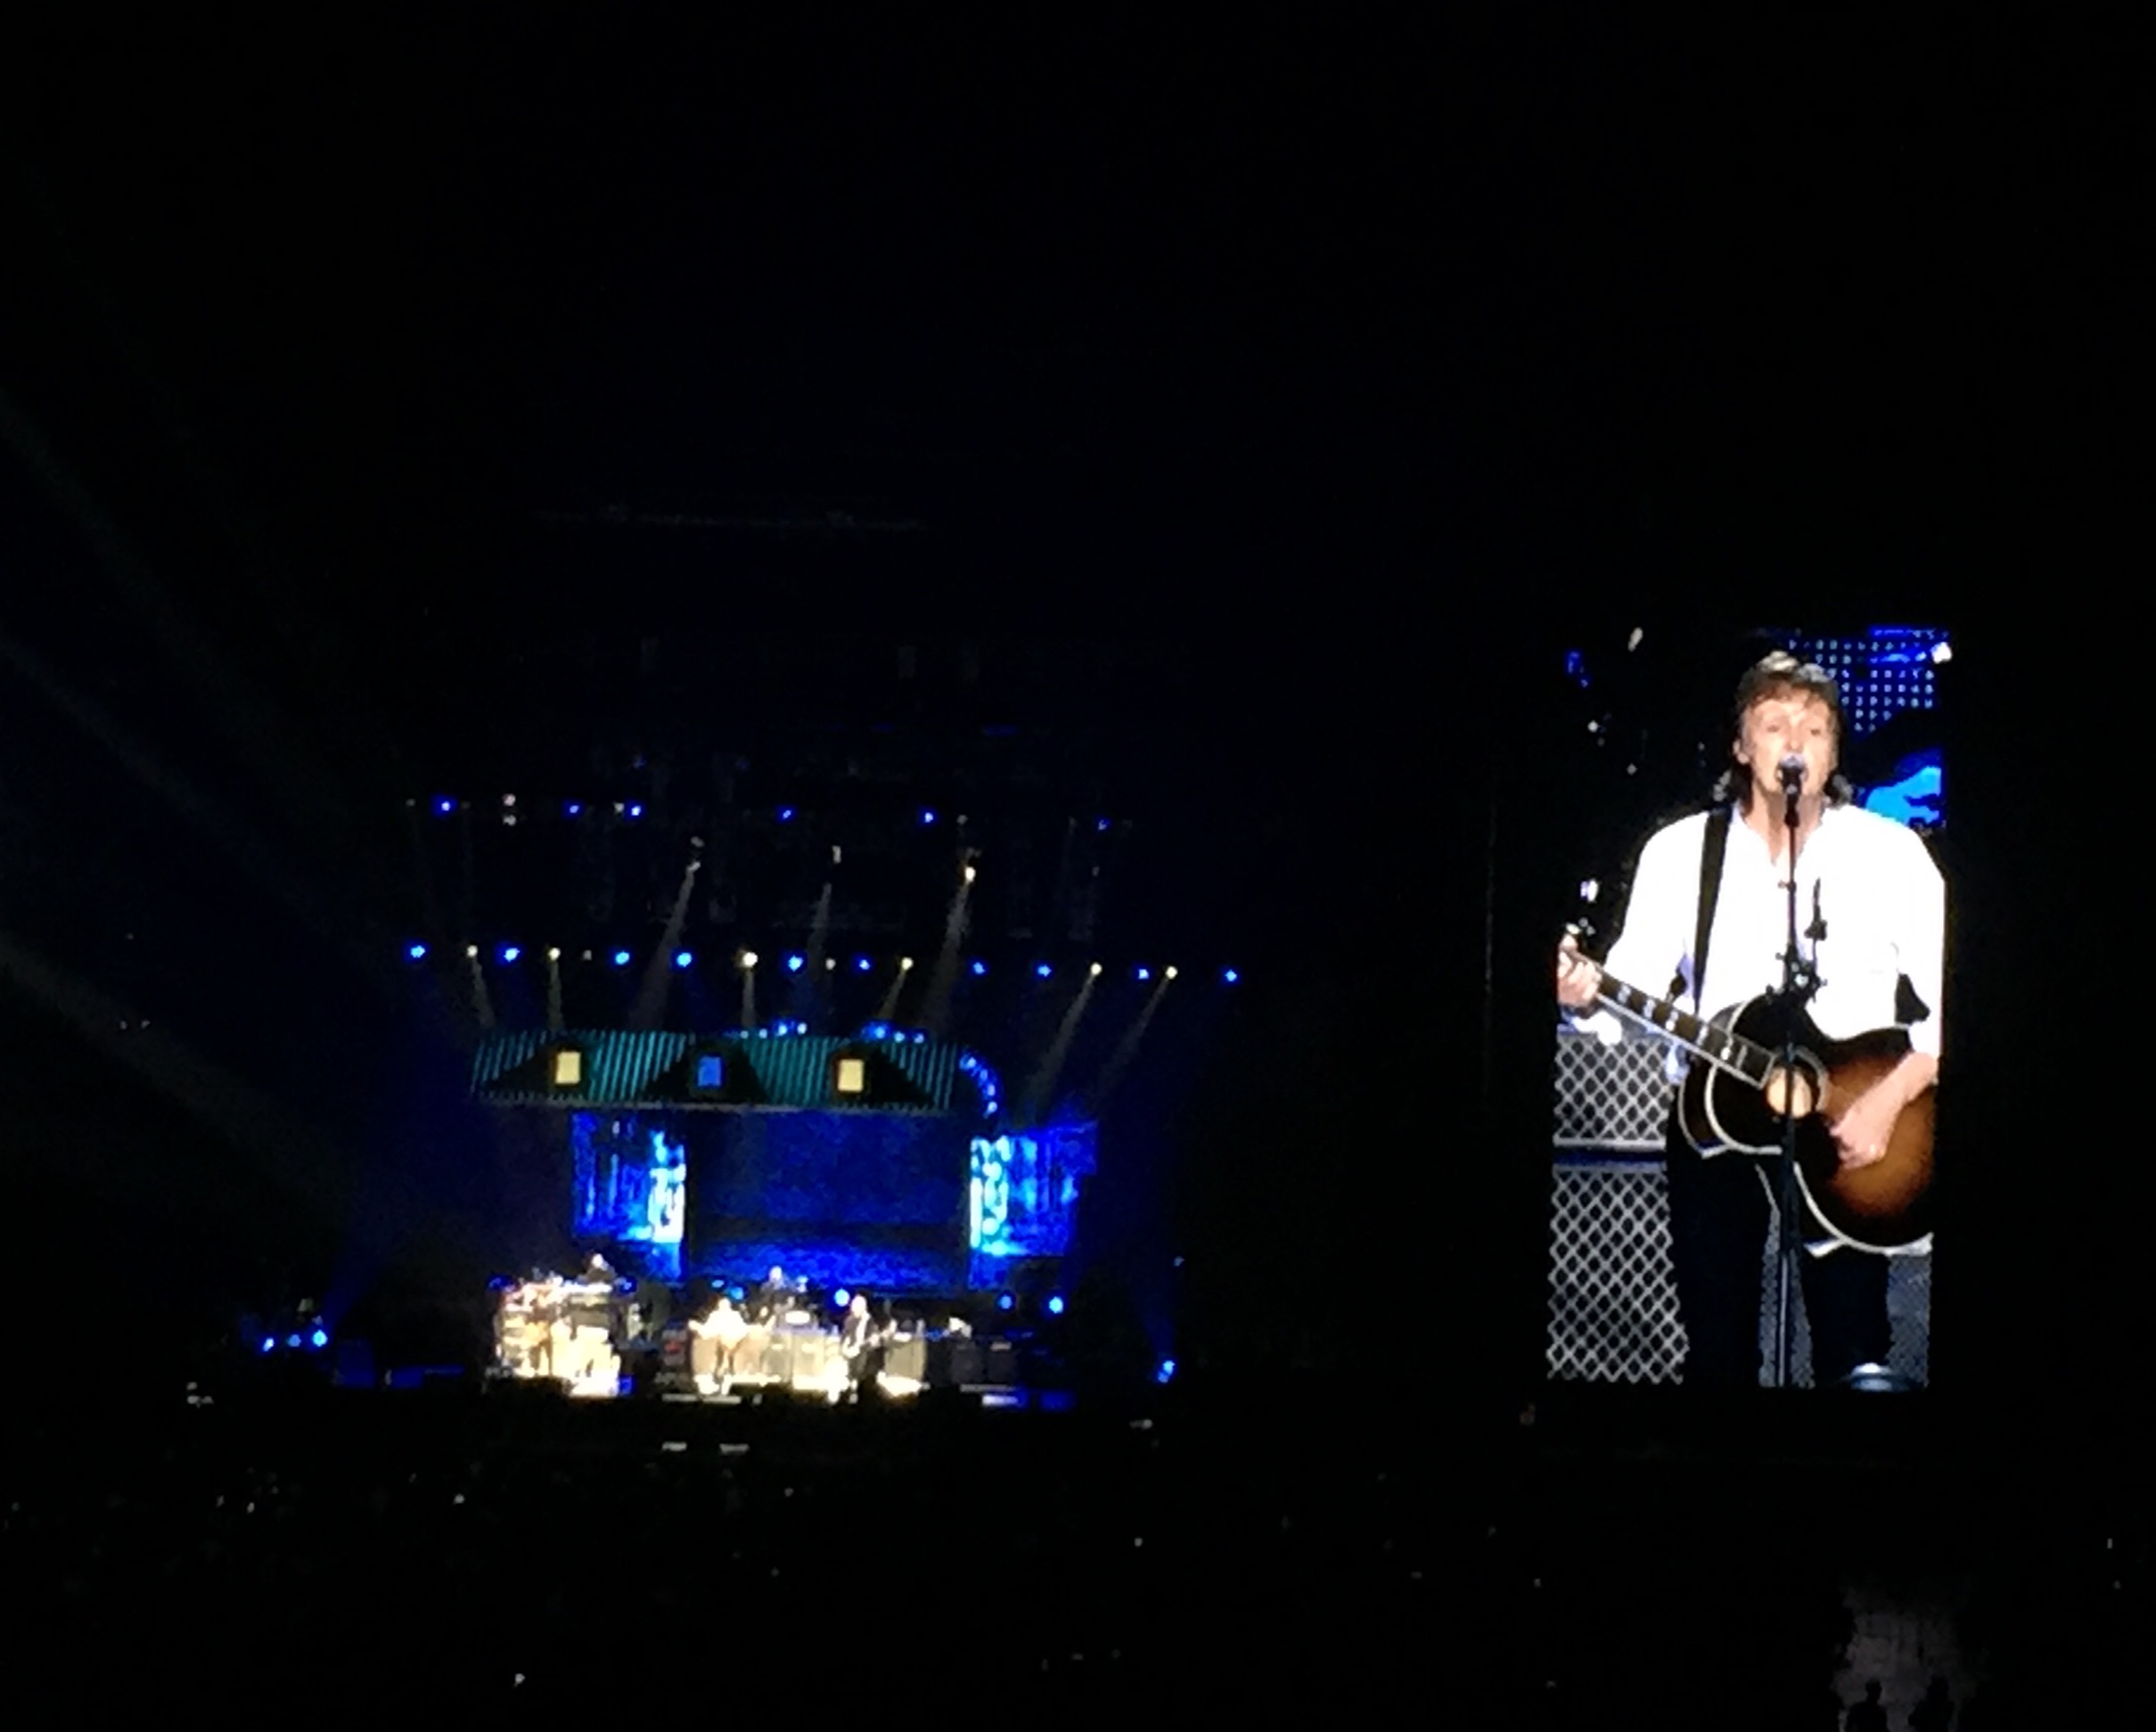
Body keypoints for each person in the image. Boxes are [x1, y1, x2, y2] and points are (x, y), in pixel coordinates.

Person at [1555, 651, 1945, 1389]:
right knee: (1718, 1356)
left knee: (1852, 1350)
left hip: (1853, 1126)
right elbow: (1631, 985)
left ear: (1834, 752)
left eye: (1814, 728)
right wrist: (1584, 993)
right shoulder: (1679, 853)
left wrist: (1886, 1099)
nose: (1794, 741)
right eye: (1773, 724)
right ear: (1740, 746)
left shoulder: (1890, 854)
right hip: (1716, 1127)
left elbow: (1952, 995)